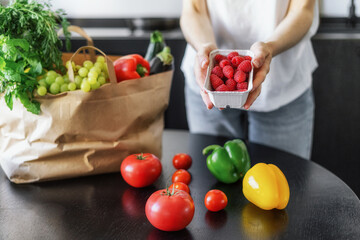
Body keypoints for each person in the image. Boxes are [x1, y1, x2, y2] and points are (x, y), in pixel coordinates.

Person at [180, 0, 319, 160]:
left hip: (283, 83)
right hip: (209, 79)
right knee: (211, 179)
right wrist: (204, 47)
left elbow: (302, 9)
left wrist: (270, 47)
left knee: (281, 178)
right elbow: (194, 9)